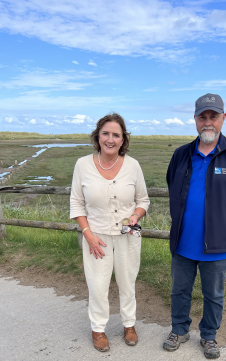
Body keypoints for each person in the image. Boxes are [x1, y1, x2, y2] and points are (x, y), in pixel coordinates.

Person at [163, 93, 226, 359]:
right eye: (202, 117)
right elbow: (173, 186)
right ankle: (179, 330)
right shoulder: (181, 155)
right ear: (195, 120)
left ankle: (209, 336)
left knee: (213, 294)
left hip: (218, 244)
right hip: (183, 241)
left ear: (223, 119)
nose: (208, 122)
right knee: (179, 290)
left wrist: (223, 222)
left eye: (213, 117)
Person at [70, 113, 150, 352]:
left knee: (128, 283)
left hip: (128, 235)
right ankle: (98, 329)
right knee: (97, 285)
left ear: (123, 139)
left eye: (116, 134)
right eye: (106, 133)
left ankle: (129, 325)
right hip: (96, 238)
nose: (110, 139)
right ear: (98, 136)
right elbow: (76, 203)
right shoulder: (82, 165)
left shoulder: (133, 165)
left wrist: (135, 216)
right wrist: (88, 235)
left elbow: (143, 200)